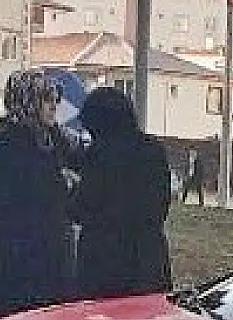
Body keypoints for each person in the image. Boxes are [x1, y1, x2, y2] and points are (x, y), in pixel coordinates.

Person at [0, 70, 75, 320]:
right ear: (26, 100)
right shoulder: (1, 146)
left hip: (56, 261)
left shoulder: (59, 143)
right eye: (46, 98)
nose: (54, 105)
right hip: (17, 264)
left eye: (56, 98)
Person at [71, 86, 174, 300]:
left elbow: (82, 207)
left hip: (104, 265)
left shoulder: (101, 154)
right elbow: (161, 203)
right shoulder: (153, 149)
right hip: (149, 262)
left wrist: (68, 191)